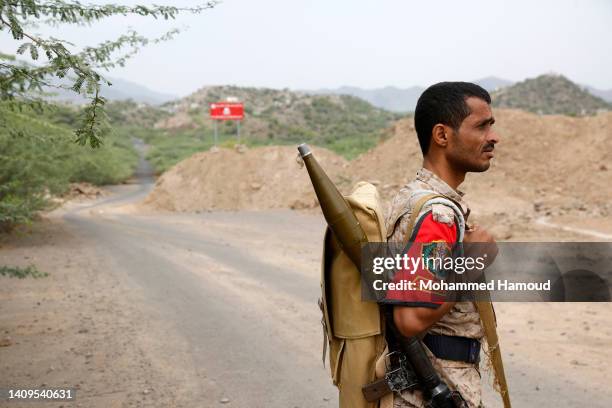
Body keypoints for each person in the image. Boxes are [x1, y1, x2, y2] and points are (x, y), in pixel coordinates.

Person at [384, 81, 500, 408]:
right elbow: (411, 318)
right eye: (482, 126)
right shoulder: (438, 214)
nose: (494, 137)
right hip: (433, 388)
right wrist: (473, 260)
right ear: (442, 136)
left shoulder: (411, 196)